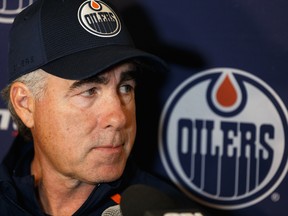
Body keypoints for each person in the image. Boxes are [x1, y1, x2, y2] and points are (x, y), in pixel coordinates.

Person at [0, 0, 207, 215]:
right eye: (89, 91)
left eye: (126, 87)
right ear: (25, 104)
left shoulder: (167, 210)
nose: (119, 118)